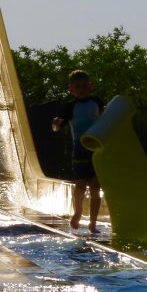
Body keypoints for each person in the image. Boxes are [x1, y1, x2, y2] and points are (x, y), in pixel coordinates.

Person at [51, 69, 105, 233]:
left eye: (84, 86)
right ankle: (79, 211)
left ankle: (93, 223)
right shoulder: (70, 107)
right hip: (80, 148)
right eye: (77, 86)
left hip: (96, 147)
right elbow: (55, 128)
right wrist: (56, 124)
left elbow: (107, 119)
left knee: (96, 186)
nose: (81, 89)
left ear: (90, 86)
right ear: (71, 89)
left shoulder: (97, 102)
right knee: (80, 185)